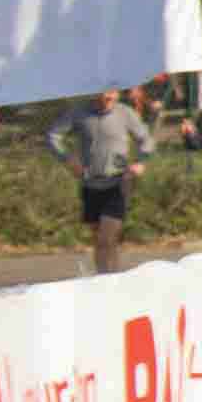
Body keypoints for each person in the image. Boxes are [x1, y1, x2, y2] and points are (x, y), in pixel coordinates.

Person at [45, 85, 155, 275]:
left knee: (107, 236)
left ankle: (110, 282)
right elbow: (53, 136)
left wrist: (140, 162)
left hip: (118, 182)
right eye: (104, 93)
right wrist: (68, 159)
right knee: (100, 240)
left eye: (112, 93)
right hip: (91, 183)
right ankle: (106, 279)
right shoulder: (80, 113)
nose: (108, 97)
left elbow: (146, 140)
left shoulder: (124, 113)